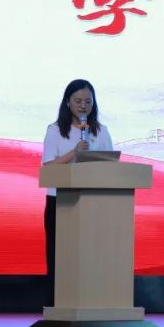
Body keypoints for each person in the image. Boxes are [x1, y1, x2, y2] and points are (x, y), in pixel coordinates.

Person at [40, 79, 113, 306]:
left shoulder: (101, 131)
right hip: (61, 201)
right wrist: (74, 152)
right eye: (78, 101)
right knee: (60, 256)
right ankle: (57, 305)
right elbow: (48, 167)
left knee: (90, 255)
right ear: (68, 103)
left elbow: (111, 166)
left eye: (88, 102)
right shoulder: (55, 131)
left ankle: (92, 302)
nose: (83, 106)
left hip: (92, 202)